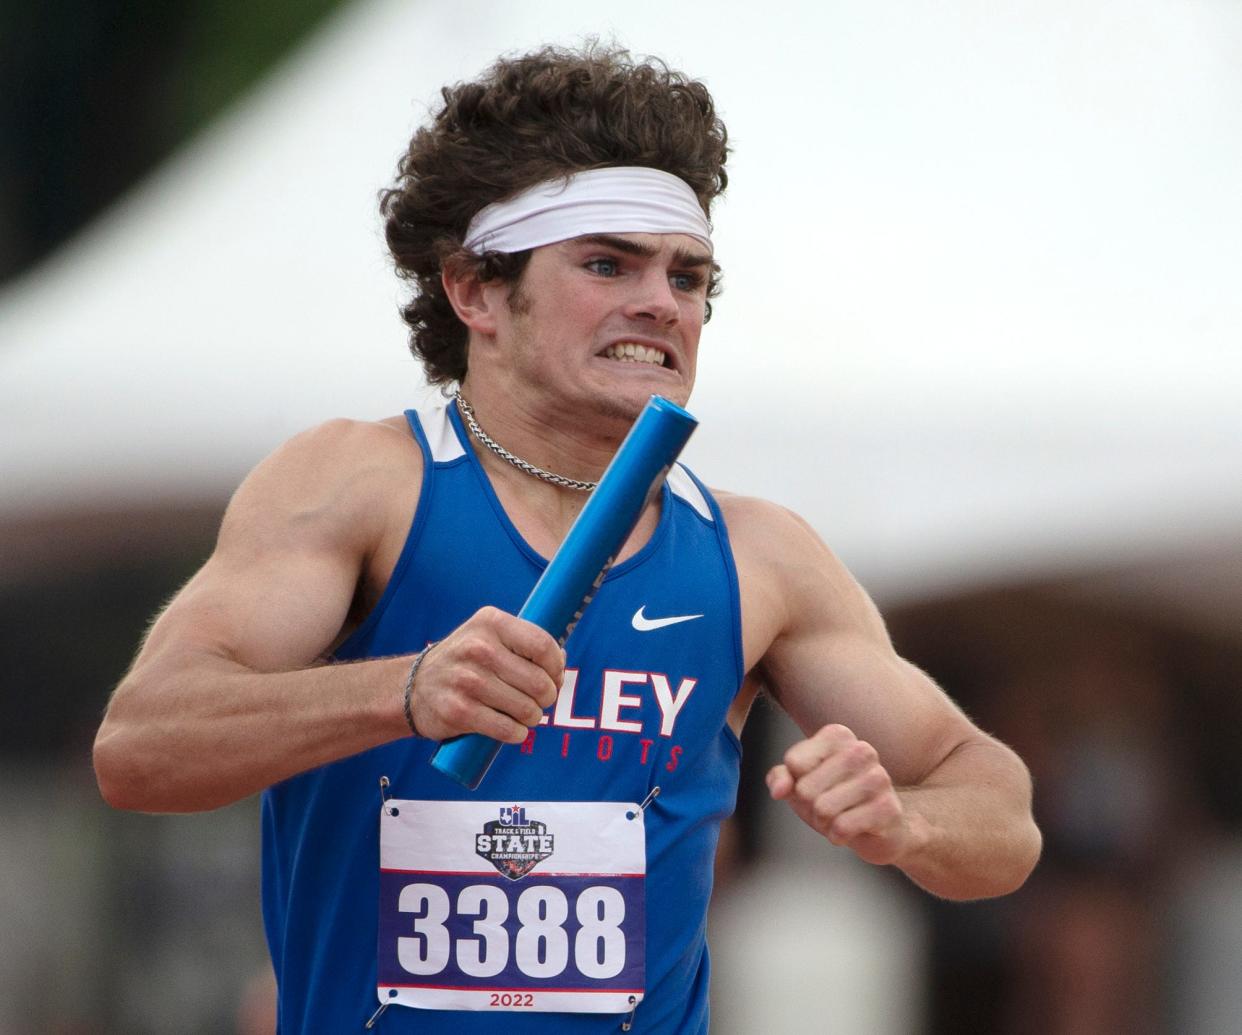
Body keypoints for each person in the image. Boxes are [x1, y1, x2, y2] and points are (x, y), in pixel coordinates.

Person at [93, 44, 1041, 1034]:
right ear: (474, 290)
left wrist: (905, 824)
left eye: (688, 275)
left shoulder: (759, 556)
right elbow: (141, 747)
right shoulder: (361, 486)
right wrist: (404, 690)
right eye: (607, 263)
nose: (661, 302)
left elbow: (999, 810)